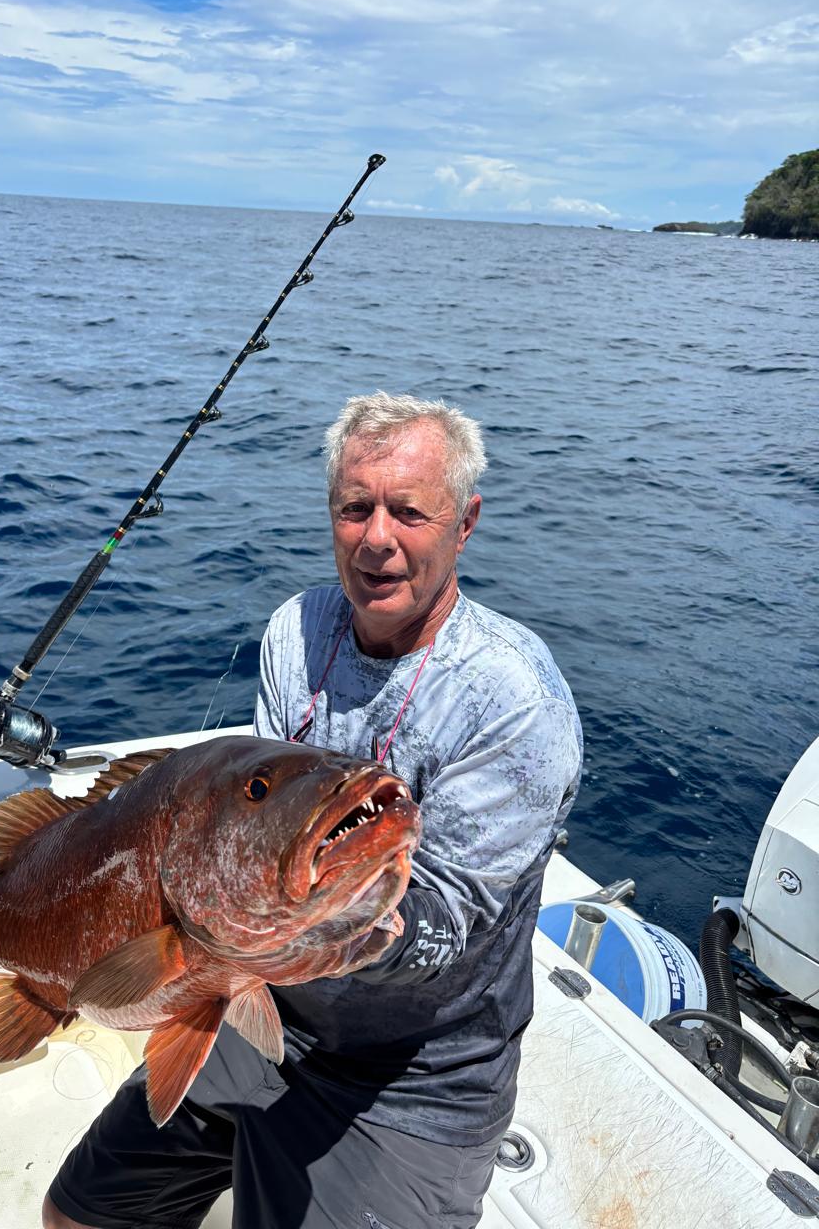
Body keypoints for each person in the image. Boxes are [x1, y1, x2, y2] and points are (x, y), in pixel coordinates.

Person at [33, 391, 582, 1228]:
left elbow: (449, 927)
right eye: (355, 508)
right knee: (75, 1215)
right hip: (261, 1011)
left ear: (464, 523)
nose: (377, 538)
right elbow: (241, 824)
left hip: (413, 1081)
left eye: (409, 511)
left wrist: (294, 926)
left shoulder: (513, 698)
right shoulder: (297, 629)